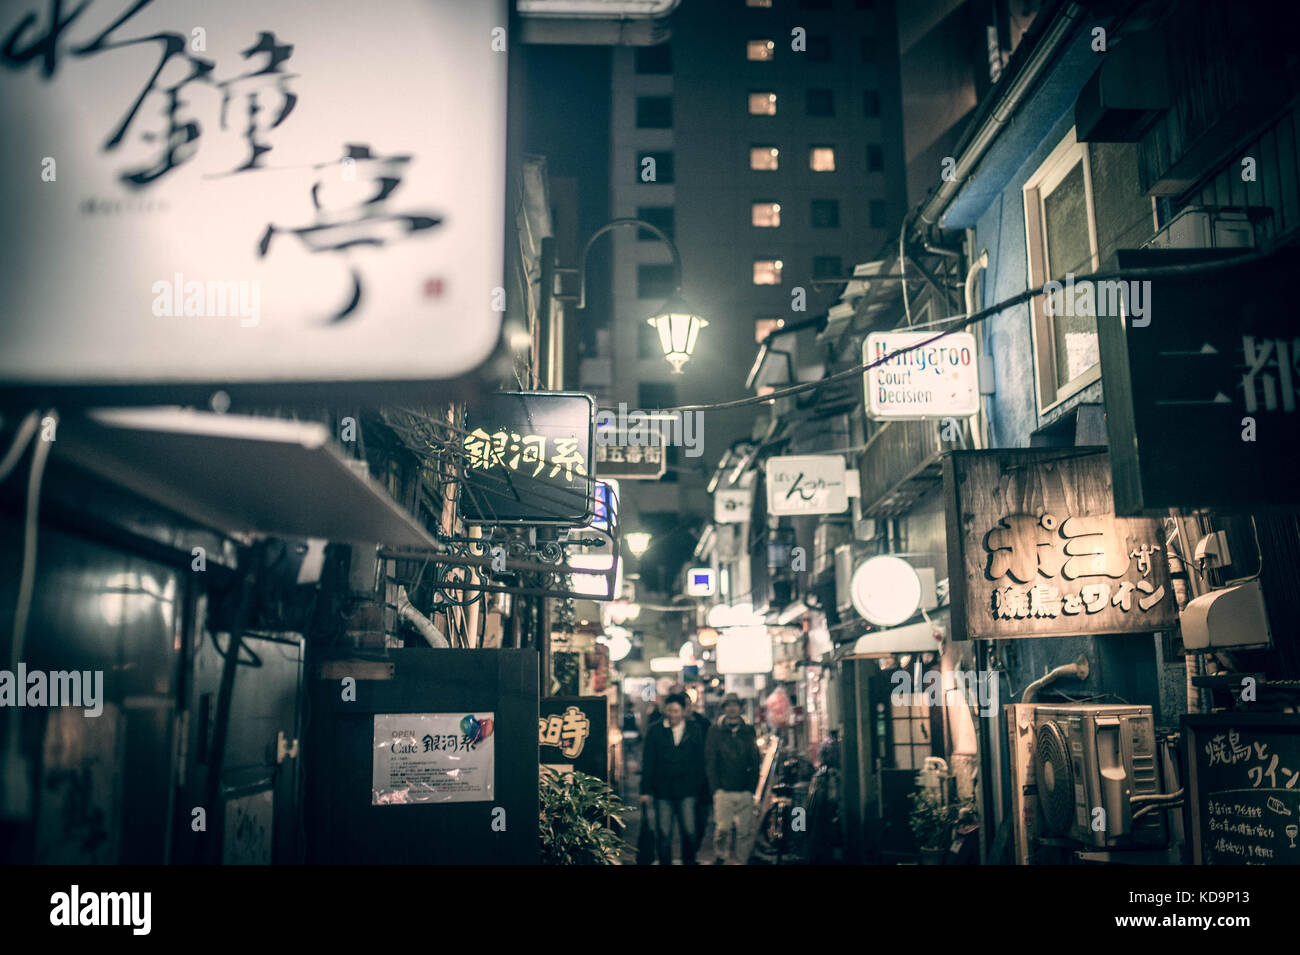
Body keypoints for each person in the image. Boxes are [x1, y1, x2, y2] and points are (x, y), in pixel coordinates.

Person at [640, 692, 707, 864]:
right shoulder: (655, 730)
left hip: (688, 789)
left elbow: (701, 760)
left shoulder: (694, 729)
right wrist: (645, 790)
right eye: (669, 711)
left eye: (676, 711)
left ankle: (689, 861)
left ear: (683, 711)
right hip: (662, 790)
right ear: (665, 710)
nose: (672, 715)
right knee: (664, 833)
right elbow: (648, 761)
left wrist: (700, 785)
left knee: (690, 831)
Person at [705, 693, 760, 865]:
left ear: (740, 708)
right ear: (723, 709)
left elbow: (755, 760)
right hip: (723, 790)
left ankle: (742, 860)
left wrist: (752, 787)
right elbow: (710, 761)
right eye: (728, 705)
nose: (732, 708)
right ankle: (721, 856)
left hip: (744, 789)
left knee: (745, 830)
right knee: (722, 828)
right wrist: (716, 788)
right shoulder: (715, 731)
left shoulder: (748, 730)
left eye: (735, 705)